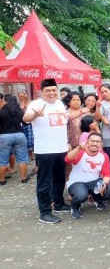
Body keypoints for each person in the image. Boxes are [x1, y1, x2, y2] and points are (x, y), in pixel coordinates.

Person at [24, 79, 70, 224]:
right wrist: (35, 115)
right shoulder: (36, 104)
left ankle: (59, 203)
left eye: (54, 90)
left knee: (59, 178)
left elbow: (63, 123)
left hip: (61, 148)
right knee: (44, 182)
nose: (52, 93)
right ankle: (44, 212)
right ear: (41, 92)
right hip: (45, 150)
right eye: (48, 91)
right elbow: (25, 119)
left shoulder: (60, 103)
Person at [65, 132, 110, 219]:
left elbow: (107, 174)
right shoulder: (81, 152)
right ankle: (75, 207)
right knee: (81, 195)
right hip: (77, 182)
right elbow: (67, 160)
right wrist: (78, 148)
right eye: (92, 141)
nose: (95, 143)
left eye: (98, 142)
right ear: (87, 141)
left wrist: (104, 184)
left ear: (101, 144)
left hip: (94, 181)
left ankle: (96, 198)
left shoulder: (103, 156)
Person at [0, 95, 29, 184]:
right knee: (22, 158)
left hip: (5, 136)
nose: (3, 102)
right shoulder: (20, 111)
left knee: (2, 159)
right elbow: (26, 122)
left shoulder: (1, 112)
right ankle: (23, 178)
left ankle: (2, 180)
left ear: (6, 101)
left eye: (4, 100)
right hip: (19, 135)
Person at [99, 83, 110, 156]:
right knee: (108, 155)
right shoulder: (101, 104)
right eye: (102, 92)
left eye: (106, 91)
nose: (104, 94)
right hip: (107, 135)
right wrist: (102, 117)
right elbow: (98, 116)